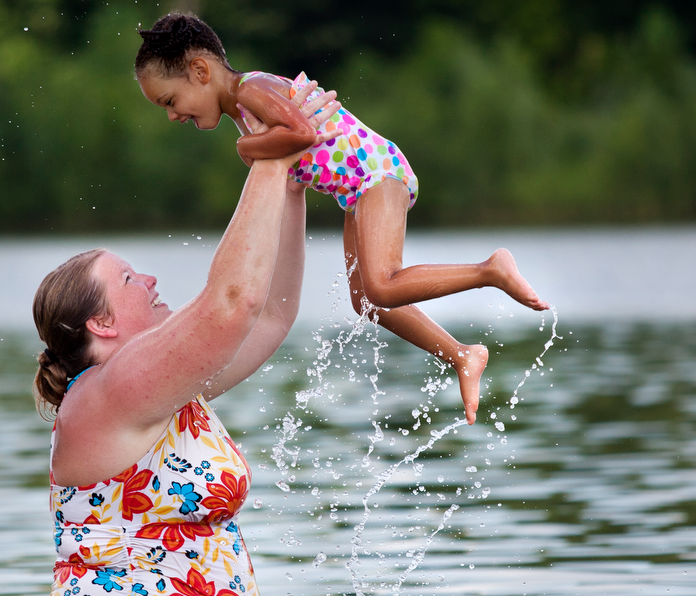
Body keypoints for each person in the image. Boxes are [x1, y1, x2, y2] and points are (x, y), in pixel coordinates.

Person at [32, 83, 340, 596]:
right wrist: (270, 155)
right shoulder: (111, 391)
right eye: (128, 280)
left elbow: (270, 314)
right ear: (100, 324)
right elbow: (231, 305)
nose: (149, 280)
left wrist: (292, 183)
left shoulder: (167, 397)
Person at [132, 12, 550, 425]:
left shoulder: (250, 89)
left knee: (383, 285)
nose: (172, 115)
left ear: (201, 71)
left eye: (170, 101)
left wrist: (248, 149)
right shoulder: (244, 107)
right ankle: (461, 355)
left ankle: (489, 270)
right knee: (367, 302)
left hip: (377, 174)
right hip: (355, 190)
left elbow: (303, 133)